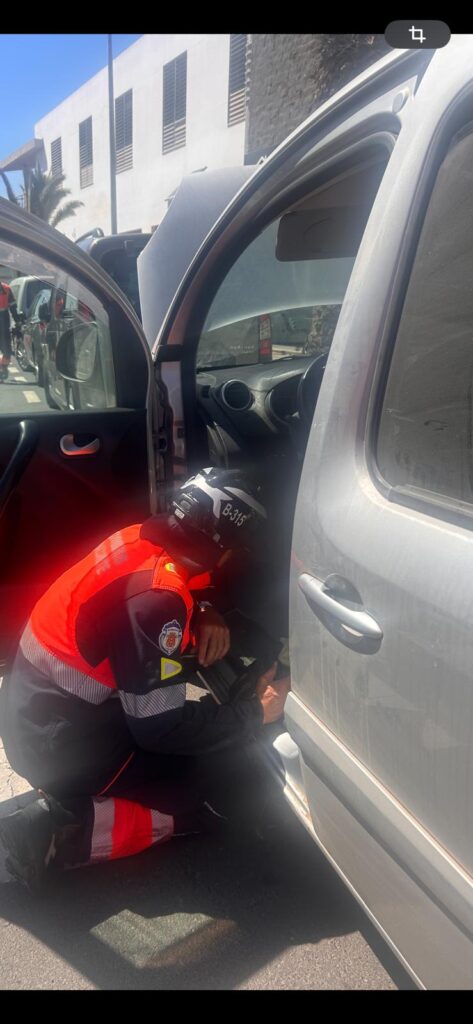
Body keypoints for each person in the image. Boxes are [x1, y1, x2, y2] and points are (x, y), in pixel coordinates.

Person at [0, 467, 290, 892]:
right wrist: (252, 713)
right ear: (222, 547)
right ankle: (58, 832)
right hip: (61, 747)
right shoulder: (156, 602)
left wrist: (204, 608)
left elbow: (163, 589)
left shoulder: (140, 537)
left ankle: (74, 799)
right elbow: (161, 729)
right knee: (213, 785)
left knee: (199, 738)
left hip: (38, 718)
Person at [0, 280, 22, 381]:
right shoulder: (6, 288)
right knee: (6, 348)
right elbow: (12, 307)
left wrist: (17, 320)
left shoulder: (7, 289)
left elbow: (13, 306)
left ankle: (3, 367)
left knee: (7, 349)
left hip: (3, 323)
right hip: (4, 322)